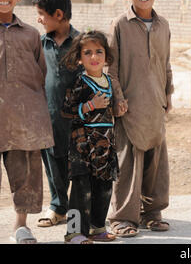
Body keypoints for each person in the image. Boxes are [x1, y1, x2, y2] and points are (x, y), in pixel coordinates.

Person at [107, 0, 174, 237]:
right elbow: (110, 67)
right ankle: (123, 218)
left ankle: (152, 213)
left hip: (155, 104)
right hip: (128, 106)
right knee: (127, 165)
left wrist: (168, 93)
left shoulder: (163, 25)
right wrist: (118, 99)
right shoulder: (120, 25)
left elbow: (166, 62)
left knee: (155, 163)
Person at [0, 0, 54, 244]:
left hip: (22, 119)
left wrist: (36, 113)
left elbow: (40, 75)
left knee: (24, 176)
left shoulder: (32, 34)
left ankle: (21, 226)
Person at [60, 30, 118, 244]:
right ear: (79, 58)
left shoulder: (109, 81)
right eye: (88, 53)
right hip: (83, 147)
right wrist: (90, 105)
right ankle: (74, 232)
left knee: (103, 187)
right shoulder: (80, 83)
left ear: (106, 56)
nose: (94, 57)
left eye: (98, 52)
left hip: (105, 145)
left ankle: (97, 228)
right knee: (81, 190)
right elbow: (66, 111)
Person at [32, 0, 80, 228]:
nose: (38, 19)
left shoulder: (82, 43)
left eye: (42, 14)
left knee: (78, 164)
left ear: (58, 15)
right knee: (53, 162)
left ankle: (80, 210)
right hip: (48, 117)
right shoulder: (40, 44)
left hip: (77, 119)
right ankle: (57, 207)